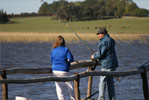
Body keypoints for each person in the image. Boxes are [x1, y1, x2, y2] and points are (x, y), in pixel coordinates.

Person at [91, 27, 118, 100]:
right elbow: (107, 51)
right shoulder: (111, 40)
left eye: (99, 34)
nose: (98, 35)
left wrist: (94, 56)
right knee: (110, 82)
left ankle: (101, 98)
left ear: (103, 34)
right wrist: (98, 53)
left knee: (102, 81)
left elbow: (102, 54)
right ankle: (112, 98)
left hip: (107, 64)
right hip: (113, 63)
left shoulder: (105, 41)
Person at [51, 35, 76, 100]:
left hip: (55, 70)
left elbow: (52, 60)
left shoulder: (53, 50)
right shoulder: (66, 49)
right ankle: (73, 98)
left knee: (58, 86)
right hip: (64, 70)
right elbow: (71, 59)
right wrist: (67, 61)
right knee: (69, 85)